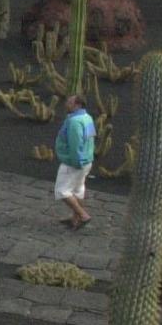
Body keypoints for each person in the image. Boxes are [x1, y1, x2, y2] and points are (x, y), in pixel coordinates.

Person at [54, 94, 97, 229]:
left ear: (78, 105)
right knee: (78, 189)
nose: (66, 104)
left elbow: (75, 144)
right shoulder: (88, 117)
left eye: (70, 102)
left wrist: (76, 161)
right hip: (87, 161)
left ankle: (83, 215)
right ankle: (75, 219)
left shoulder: (74, 122)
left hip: (74, 163)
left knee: (62, 191)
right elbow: (91, 138)